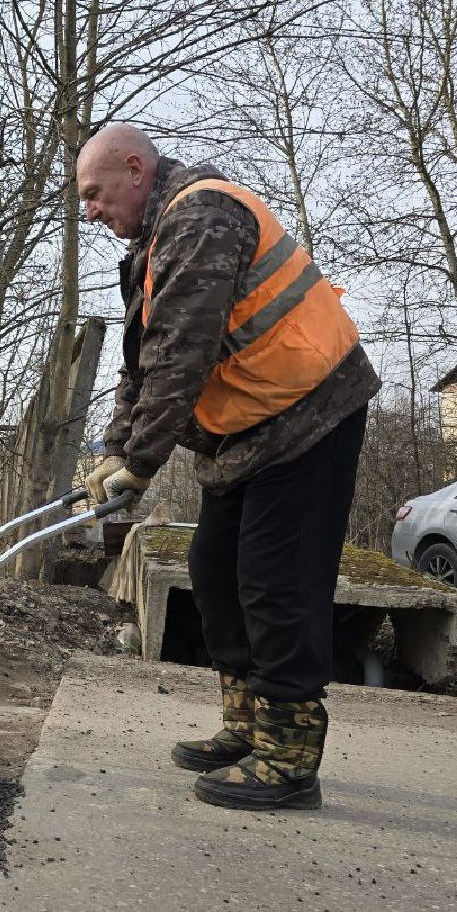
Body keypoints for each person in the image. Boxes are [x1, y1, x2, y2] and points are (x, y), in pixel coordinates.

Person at [77, 124, 380, 811]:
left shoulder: (203, 216)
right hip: (247, 431)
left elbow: (183, 353)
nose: (89, 210)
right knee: (215, 570)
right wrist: (114, 451)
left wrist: (143, 463)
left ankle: (290, 752)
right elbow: (143, 359)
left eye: (95, 194)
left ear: (134, 169)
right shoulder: (154, 243)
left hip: (309, 416)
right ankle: (247, 724)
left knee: (276, 581)